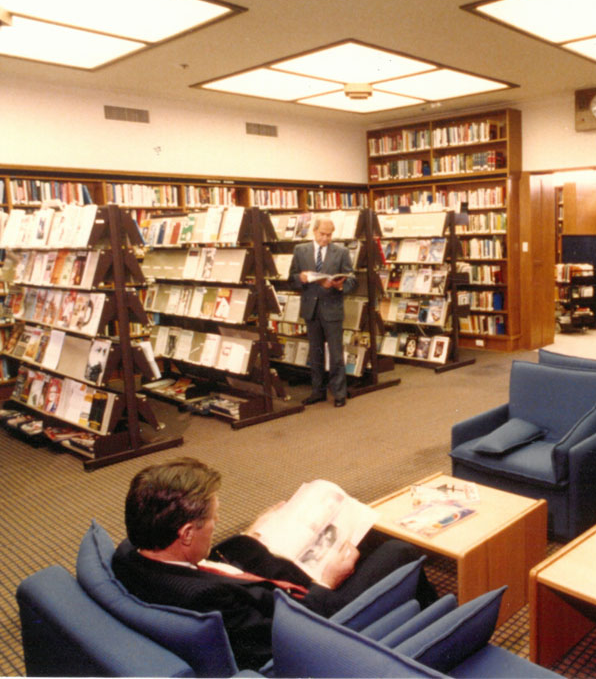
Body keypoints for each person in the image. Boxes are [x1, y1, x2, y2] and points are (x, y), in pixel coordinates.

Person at [112, 457, 435, 671]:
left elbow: (211, 569)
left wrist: (250, 537)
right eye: (213, 519)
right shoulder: (204, 599)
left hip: (264, 586)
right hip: (314, 615)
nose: (218, 522)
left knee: (365, 537)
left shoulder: (131, 554)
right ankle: (430, 631)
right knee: (399, 552)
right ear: (185, 533)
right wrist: (326, 581)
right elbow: (284, 636)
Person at [288, 217, 356, 407]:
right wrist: (300, 278)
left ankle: (339, 393)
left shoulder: (341, 252)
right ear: (314, 231)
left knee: (336, 354)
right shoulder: (300, 250)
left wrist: (340, 286)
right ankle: (317, 391)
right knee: (315, 352)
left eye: (329, 235)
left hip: (332, 308)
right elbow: (291, 279)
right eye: (322, 234)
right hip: (311, 308)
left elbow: (352, 280)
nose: (325, 238)